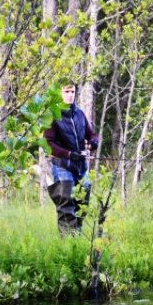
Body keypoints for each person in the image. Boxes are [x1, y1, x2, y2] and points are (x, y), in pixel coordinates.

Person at [45, 83, 99, 233]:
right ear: (59, 94)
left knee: (82, 206)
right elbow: (48, 144)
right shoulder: (52, 115)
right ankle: (66, 246)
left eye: (72, 91)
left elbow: (92, 134)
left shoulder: (79, 114)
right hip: (62, 166)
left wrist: (94, 142)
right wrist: (69, 154)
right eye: (66, 91)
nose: (70, 95)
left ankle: (77, 241)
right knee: (66, 206)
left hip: (81, 167)